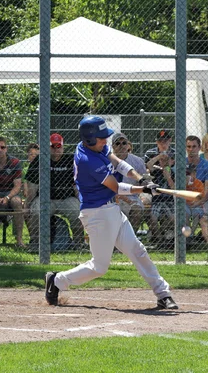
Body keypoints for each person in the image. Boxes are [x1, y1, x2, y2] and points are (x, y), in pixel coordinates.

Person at [45, 116, 178, 310]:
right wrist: (144, 190)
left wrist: (142, 180)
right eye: (101, 138)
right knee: (99, 267)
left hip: (112, 210)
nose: (105, 141)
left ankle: (162, 293)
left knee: (138, 250)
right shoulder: (87, 160)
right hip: (97, 214)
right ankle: (57, 280)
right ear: (89, 139)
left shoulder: (98, 148)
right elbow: (115, 187)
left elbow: (119, 164)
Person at [24, 133, 82, 247]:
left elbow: (77, 184)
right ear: (48, 147)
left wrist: (81, 201)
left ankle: (79, 244)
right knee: (36, 212)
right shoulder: (39, 160)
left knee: (77, 213)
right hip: (45, 198)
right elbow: (32, 186)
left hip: (66, 198)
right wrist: (27, 204)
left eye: (58, 146)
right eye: (53, 146)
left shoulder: (71, 160)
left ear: (63, 147)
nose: (56, 149)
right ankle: (35, 243)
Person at [143, 129, 176, 248]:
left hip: (169, 196)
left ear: (170, 141)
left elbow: (174, 178)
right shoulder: (150, 153)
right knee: (152, 216)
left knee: (172, 218)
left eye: (166, 141)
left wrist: (166, 167)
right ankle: (159, 240)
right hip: (154, 195)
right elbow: (147, 168)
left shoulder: (176, 154)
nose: (163, 144)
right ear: (157, 142)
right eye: (160, 141)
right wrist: (159, 157)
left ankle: (168, 239)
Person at [166, 164, 208, 243]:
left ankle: (193, 234)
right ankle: (188, 236)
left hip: (196, 205)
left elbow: (201, 197)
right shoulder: (180, 184)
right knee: (185, 214)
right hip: (184, 204)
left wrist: (195, 203)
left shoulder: (198, 183)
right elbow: (175, 191)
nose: (187, 176)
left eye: (189, 174)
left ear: (194, 174)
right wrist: (185, 183)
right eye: (185, 174)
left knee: (198, 215)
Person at [111, 132, 147, 229]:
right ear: (113, 146)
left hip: (132, 196)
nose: (121, 146)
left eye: (124, 143)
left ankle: (131, 238)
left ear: (128, 145)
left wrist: (145, 191)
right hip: (111, 196)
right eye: (118, 143)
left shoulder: (137, 161)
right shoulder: (107, 161)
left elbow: (145, 180)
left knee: (137, 211)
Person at [185, 135, 208, 239]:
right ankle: (186, 241)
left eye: (194, 146)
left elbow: (207, 191)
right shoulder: (181, 164)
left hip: (202, 199)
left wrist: (197, 203)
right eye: (188, 147)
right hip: (184, 200)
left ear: (199, 148)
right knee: (183, 214)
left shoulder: (207, 165)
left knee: (204, 218)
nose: (191, 149)